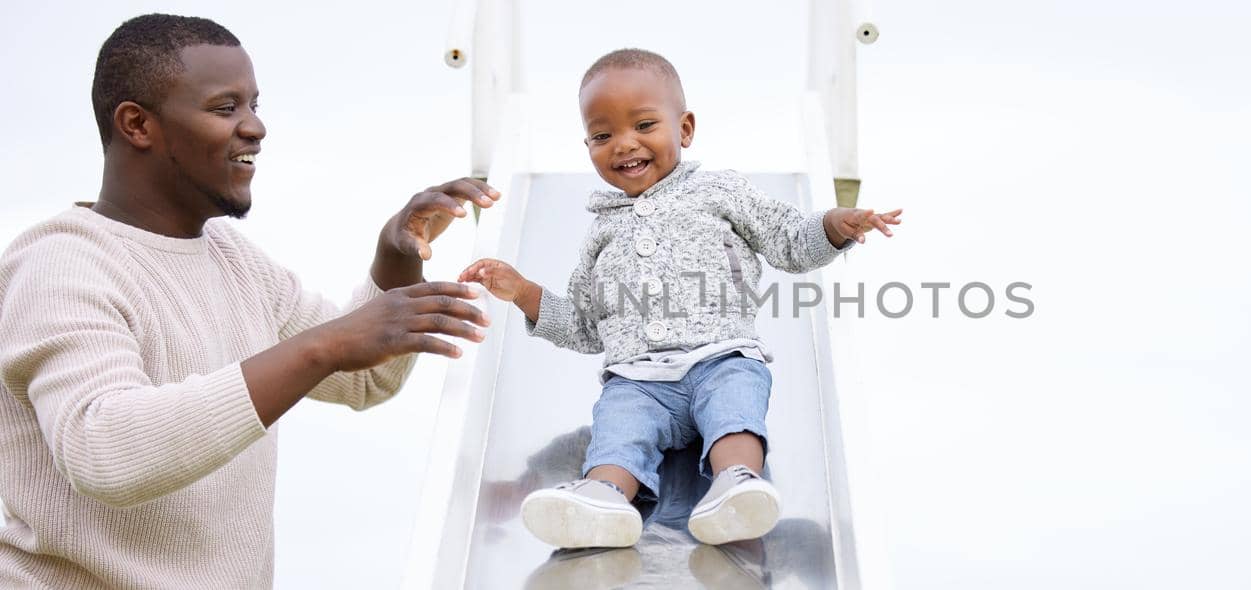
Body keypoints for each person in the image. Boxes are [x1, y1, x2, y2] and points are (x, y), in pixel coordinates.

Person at [0, 14, 497, 588]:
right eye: (225, 108)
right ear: (138, 125)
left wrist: (396, 257)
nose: (255, 127)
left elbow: (363, 378)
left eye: (254, 105)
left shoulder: (233, 260)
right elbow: (107, 451)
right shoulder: (60, 265)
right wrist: (327, 345)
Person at [459, 48, 901, 548]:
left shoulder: (720, 192)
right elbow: (585, 326)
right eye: (603, 136)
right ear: (587, 144)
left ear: (684, 129)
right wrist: (525, 292)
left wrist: (832, 227)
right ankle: (604, 495)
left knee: (736, 405)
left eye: (644, 125)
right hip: (639, 379)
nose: (624, 145)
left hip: (721, 356)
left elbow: (788, 242)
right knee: (618, 426)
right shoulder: (602, 231)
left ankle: (736, 484)